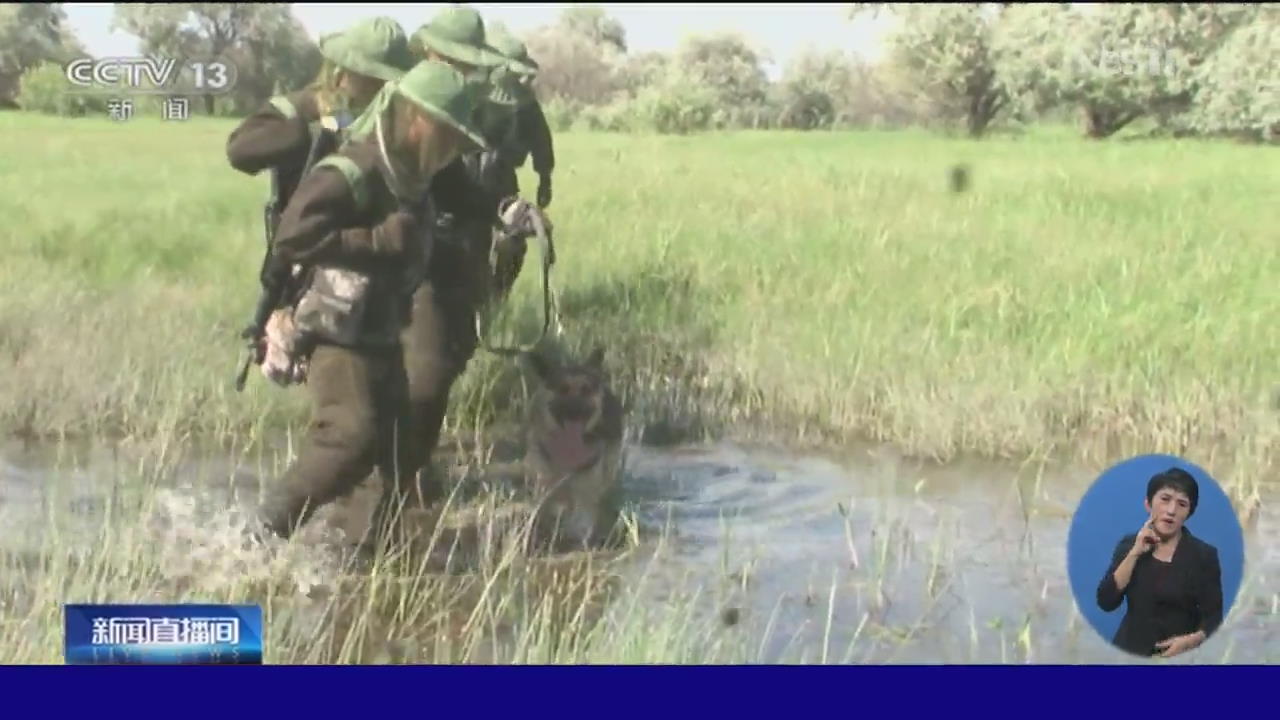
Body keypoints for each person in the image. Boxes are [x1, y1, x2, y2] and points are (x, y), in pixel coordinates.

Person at [253, 60, 491, 547]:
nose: (453, 151)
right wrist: (377, 242)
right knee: (351, 434)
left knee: (397, 449)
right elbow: (292, 239)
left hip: (382, 330)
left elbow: (461, 209)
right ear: (419, 120)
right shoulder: (354, 169)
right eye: (449, 137)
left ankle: (364, 557)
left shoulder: (414, 173)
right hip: (337, 329)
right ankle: (256, 539)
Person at [1095, 468, 1225, 658]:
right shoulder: (1128, 545)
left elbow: (1214, 618)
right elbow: (1106, 601)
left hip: (1179, 657)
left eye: (1182, 504)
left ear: (1188, 513)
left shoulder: (1204, 555)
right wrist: (1134, 554)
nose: (1171, 510)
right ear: (1148, 504)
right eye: (1165, 499)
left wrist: (1192, 641)